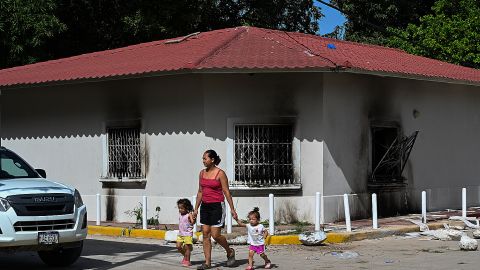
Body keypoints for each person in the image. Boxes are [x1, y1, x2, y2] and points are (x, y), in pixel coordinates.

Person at [193, 149, 238, 269]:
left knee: (215, 235)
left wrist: (232, 209)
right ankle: (207, 262)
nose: (203, 161)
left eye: (205, 158)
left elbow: (226, 192)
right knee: (205, 234)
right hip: (205, 206)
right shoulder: (202, 173)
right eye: (203, 158)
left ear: (212, 160)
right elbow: (200, 192)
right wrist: (196, 209)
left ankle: (229, 251)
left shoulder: (220, 174)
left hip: (217, 206)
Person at [176, 198, 195, 267]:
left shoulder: (189, 214)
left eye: (181, 208)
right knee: (178, 246)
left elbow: (192, 222)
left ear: (186, 208)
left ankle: (188, 260)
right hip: (181, 234)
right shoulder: (180, 215)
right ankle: (185, 255)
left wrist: (192, 218)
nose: (180, 210)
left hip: (187, 234)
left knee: (187, 248)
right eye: (179, 208)